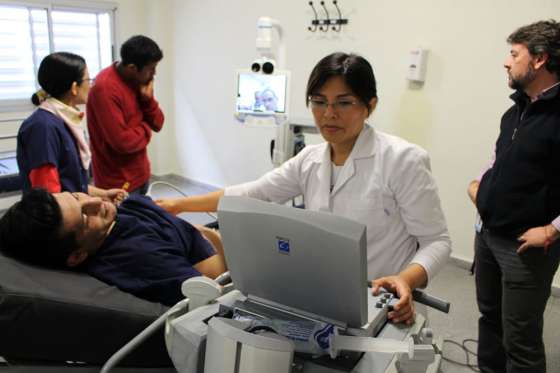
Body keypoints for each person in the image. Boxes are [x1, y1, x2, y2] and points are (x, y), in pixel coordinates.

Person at [157, 52, 451, 325]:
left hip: (383, 303)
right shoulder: (310, 160)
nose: (328, 114)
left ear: (370, 105)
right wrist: (179, 206)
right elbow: (253, 193)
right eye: (319, 101)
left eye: (344, 102)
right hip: (322, 296)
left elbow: (436, 241)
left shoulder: (402, 160)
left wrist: (405, 279)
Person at [468, 20, 560, 373]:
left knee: (520, 339)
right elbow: (501, 158)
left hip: (524, 248)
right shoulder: (517, 108)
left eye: (514, 54)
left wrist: (552, 230)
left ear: (539, 59)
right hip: (488, 235)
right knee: (490, 321)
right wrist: (480, 185)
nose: (507, 62)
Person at [0, 188, 226, 306]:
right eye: (85, 216)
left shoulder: (109, 225)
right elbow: (216, 292)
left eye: (77, 196)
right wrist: (217, 239)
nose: (96, 202)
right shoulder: (141, 258)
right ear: (77, 255)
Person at [17, 52, 126, 203]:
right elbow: (49, 199)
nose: (91, 84)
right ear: (74, 87)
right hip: (56, 222)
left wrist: (103, 194)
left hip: (71, 214)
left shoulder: (64, 121)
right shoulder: (43, 128)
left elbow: (72, 185)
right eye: (88, 79)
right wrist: (92, 204)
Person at [86, 35, 165, 195]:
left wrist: (148, 100)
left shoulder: (139, 82)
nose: (154, 74)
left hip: (141, 173)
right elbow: (122, 142)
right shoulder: (105, 89)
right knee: (123, 220)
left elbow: (158, 123)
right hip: (117, 183)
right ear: (132, 68)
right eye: (151, 68)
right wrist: (145, 128)